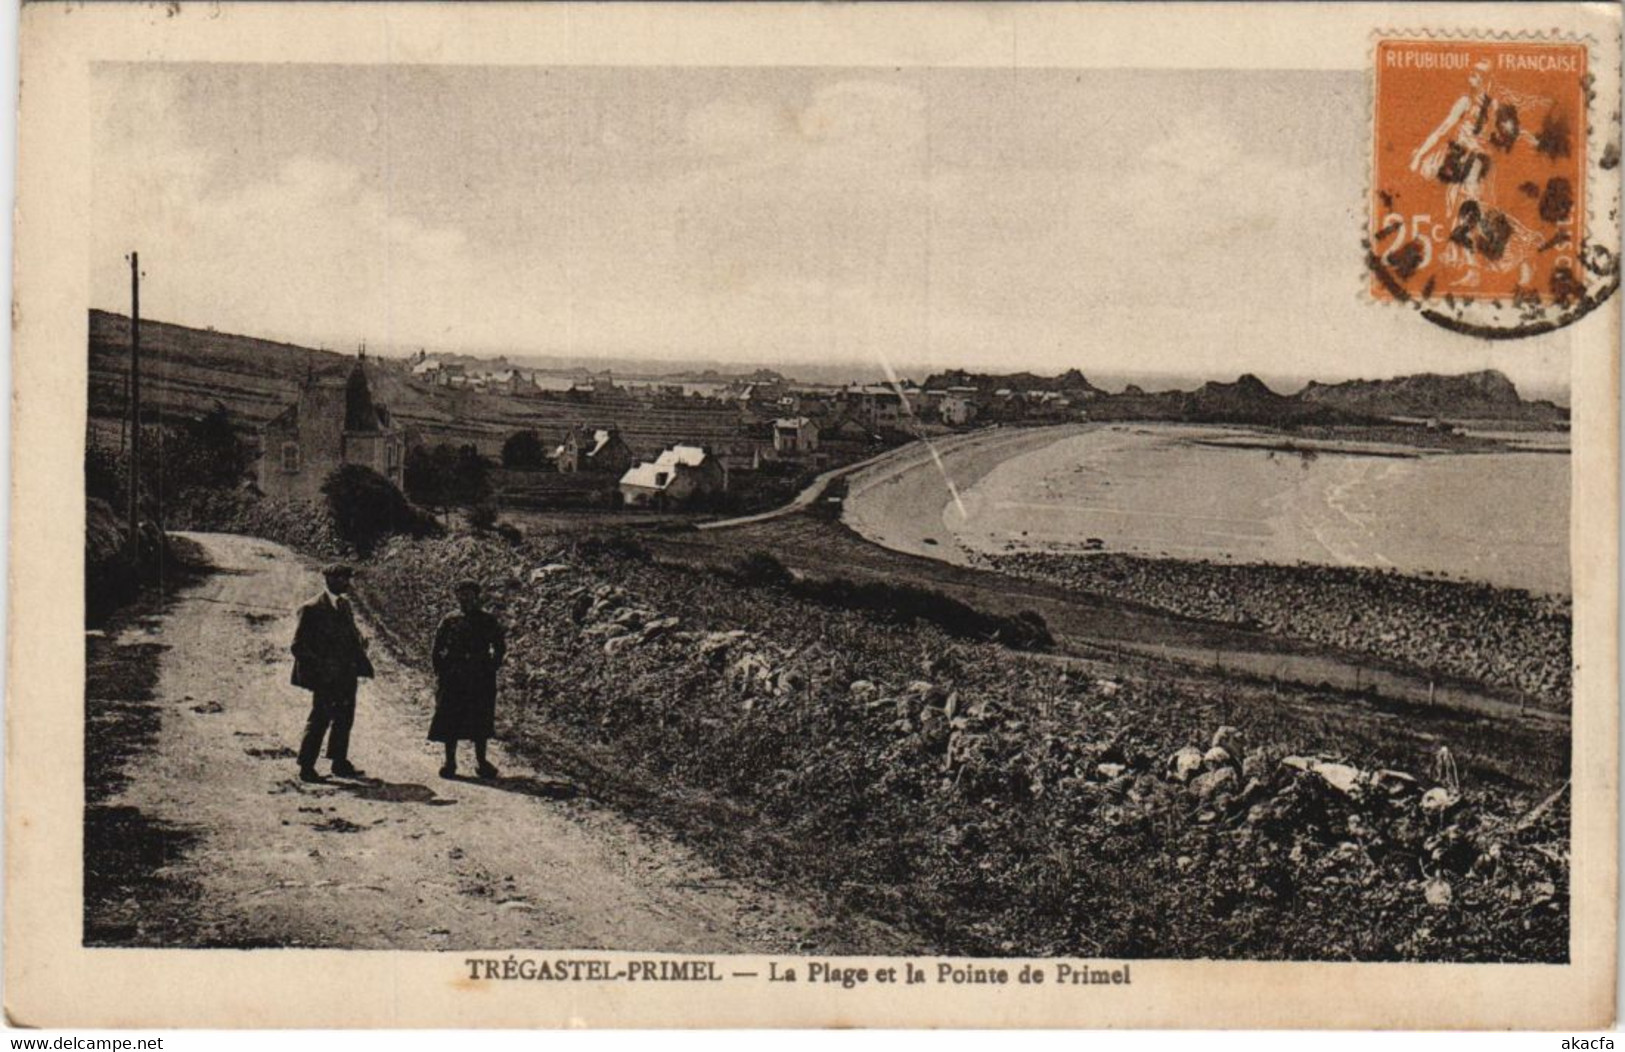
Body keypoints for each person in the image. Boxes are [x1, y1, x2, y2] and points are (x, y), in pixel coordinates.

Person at [290, 563, 375, 783]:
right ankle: (306, 766)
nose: (346, 583)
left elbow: (349, 634)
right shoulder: (311, 608)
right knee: (320, 719)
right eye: (340, 579)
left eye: (347, 578)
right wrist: (322, 668)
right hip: (326, 677)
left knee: (345, 718)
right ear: (328, 579)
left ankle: (339, 762)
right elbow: (298, 646)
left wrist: (359, 642)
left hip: (347, 673)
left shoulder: (344, 605)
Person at [429, 579, 507, 779]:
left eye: (470, 594)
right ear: (456, 596)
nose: (466, 598)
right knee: (450, 718)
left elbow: (499, 646)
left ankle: (481, 762)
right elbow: (437, 647)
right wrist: (441, 670)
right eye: (462, 594)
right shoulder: (450, 620)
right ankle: (450, 762)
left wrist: (491, 667)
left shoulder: (487, 620)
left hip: (479, 676)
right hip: (454, 676)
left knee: (480, 718)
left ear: (477, 596)